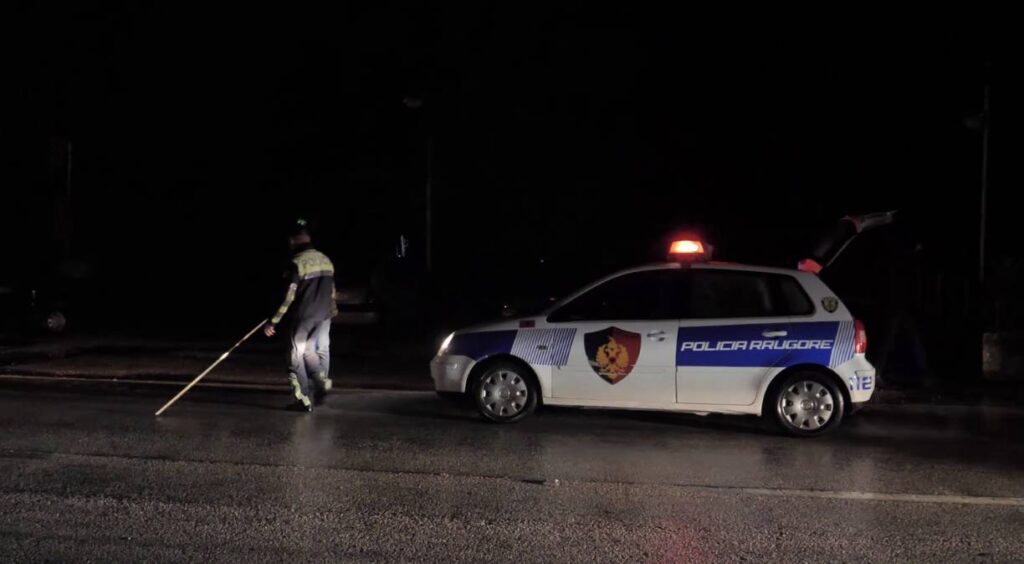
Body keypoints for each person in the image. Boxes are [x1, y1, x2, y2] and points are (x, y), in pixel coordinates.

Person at [264, 219, 337, 412]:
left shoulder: (296, 263)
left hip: (303, 317)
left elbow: (288, 297)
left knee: (294, 358)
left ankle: (302, 399)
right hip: (323, 316)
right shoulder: (325, 260)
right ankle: (323, 382)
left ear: (292, 240)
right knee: (310, 352)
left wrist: (273, 321)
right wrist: (330, 312)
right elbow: (332, 291)